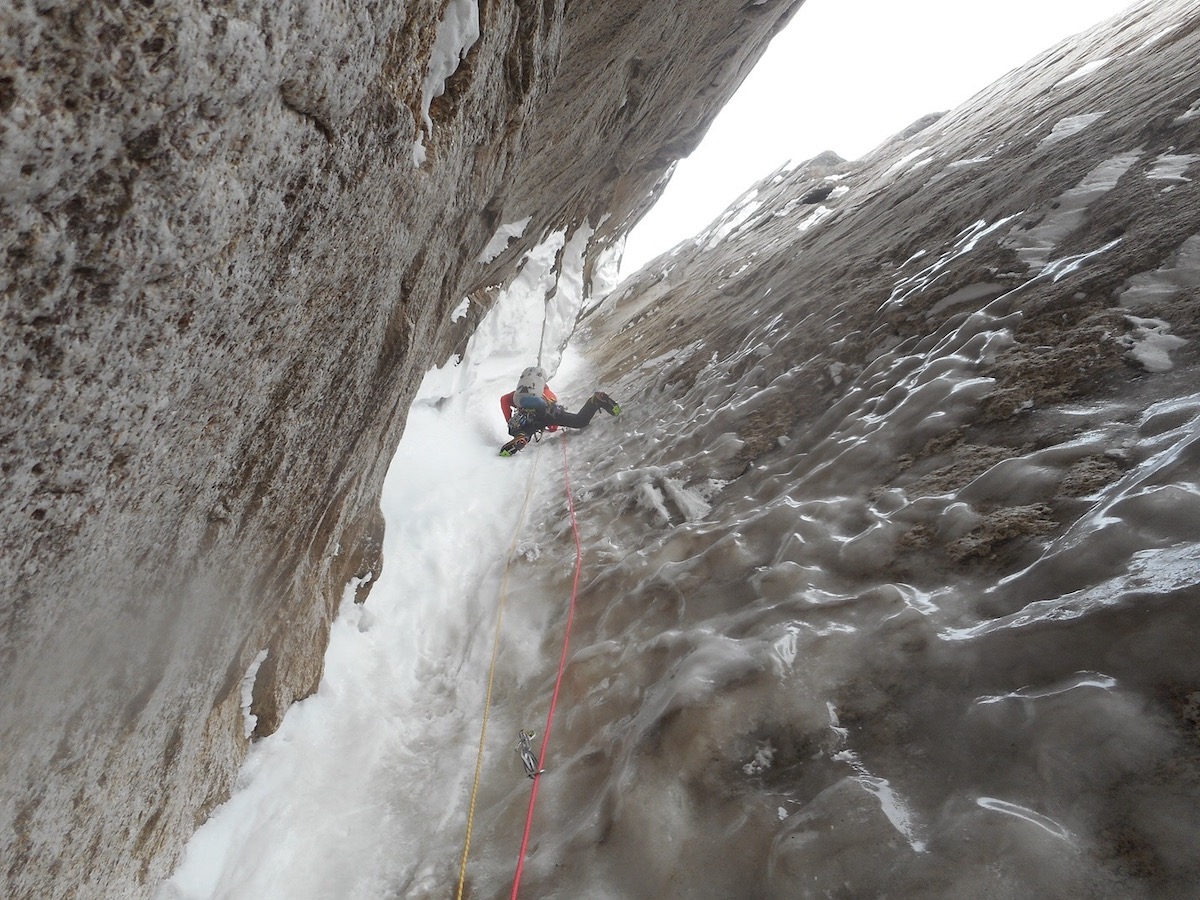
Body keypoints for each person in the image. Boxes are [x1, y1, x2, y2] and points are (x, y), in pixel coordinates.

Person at [499, 366, 620, 457]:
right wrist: (551, 426)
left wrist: (510, 420)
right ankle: (595, 401)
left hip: (527, 416)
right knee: (580, 421)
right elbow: (552, 426)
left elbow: (504, 400)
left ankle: (522, 437)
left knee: (523, 429)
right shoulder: (548, 393)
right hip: (548, 412)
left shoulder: (517, 395)